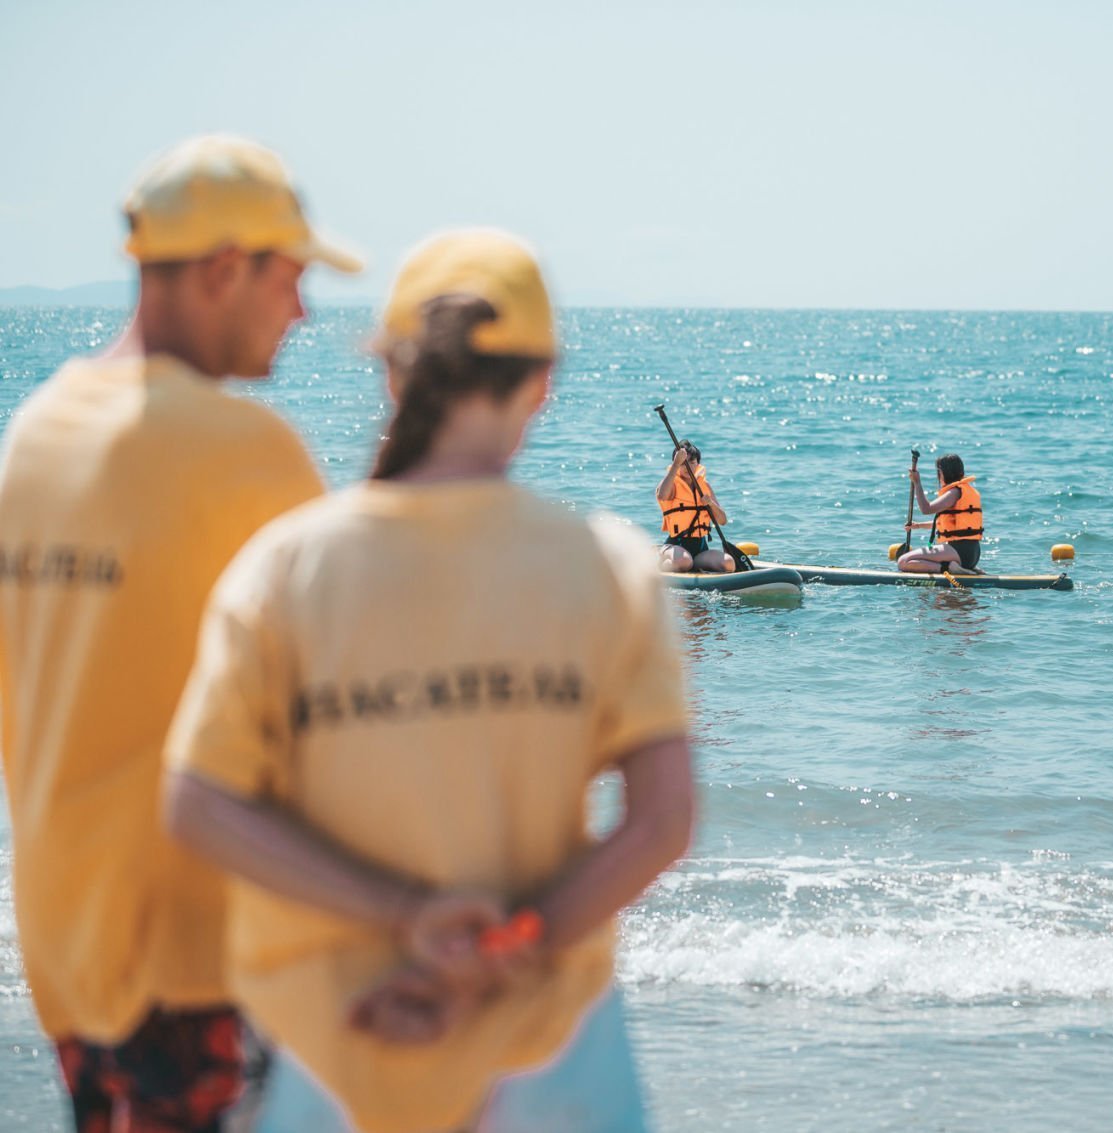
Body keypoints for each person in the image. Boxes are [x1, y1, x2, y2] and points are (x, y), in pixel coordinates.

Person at [162, 229, 696, 1133]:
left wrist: (408, 915)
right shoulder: (606, 568)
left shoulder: (284, 567)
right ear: (543, 383)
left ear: (392, 372)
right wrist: (506, 946)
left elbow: (198, 804)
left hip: (337, 1030)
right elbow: (660, 823)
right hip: (549, 1039)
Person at [0, 134, 359, 1132]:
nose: (302, 309)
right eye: (291, 277)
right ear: (223, 268)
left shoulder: (35, 434)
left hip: (66, 944)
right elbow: (335, 713)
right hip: (200, 954)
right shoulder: (243, 451)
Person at [897, 453, 984, 574]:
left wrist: (917, 482)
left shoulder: (954, 492)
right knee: (912, 560)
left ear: (943, 473)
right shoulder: (963, 490)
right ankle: (964, 568)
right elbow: (946, 523)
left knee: (903, 561)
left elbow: (926, 509)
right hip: (972, 553)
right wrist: (919, 525)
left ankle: (948, 568)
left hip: (959, 551)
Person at [656, 439, 734, 572]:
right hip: (675, 546)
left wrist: (711, 504)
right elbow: (661, 495)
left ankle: (693, 566)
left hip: (700, 548)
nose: (688, 467)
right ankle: (658, 565)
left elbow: (723, 521)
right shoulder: (672, 483)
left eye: (692, 462)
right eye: (683, 463)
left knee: (728, 563)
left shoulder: (704, 486)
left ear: (698, 464)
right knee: (684, 561)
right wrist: (676, 464)